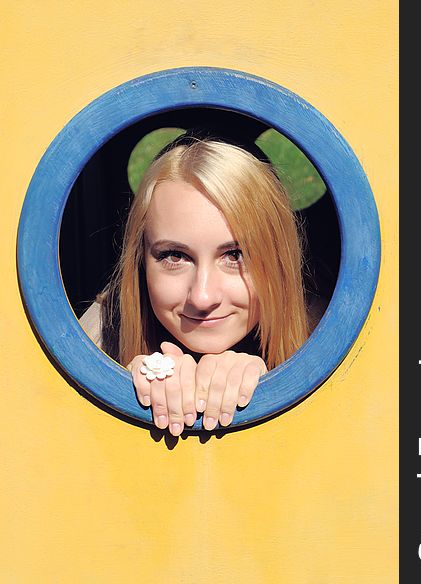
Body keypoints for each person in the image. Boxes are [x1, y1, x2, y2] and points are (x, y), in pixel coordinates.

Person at [80, 134, 310, 435]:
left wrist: (267, 383)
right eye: (174, 256)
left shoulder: (321, 331)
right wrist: (121, 387)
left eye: (235, 255)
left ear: (279, 259)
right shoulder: (101, 330)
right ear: (140, 262)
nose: (202, 297)